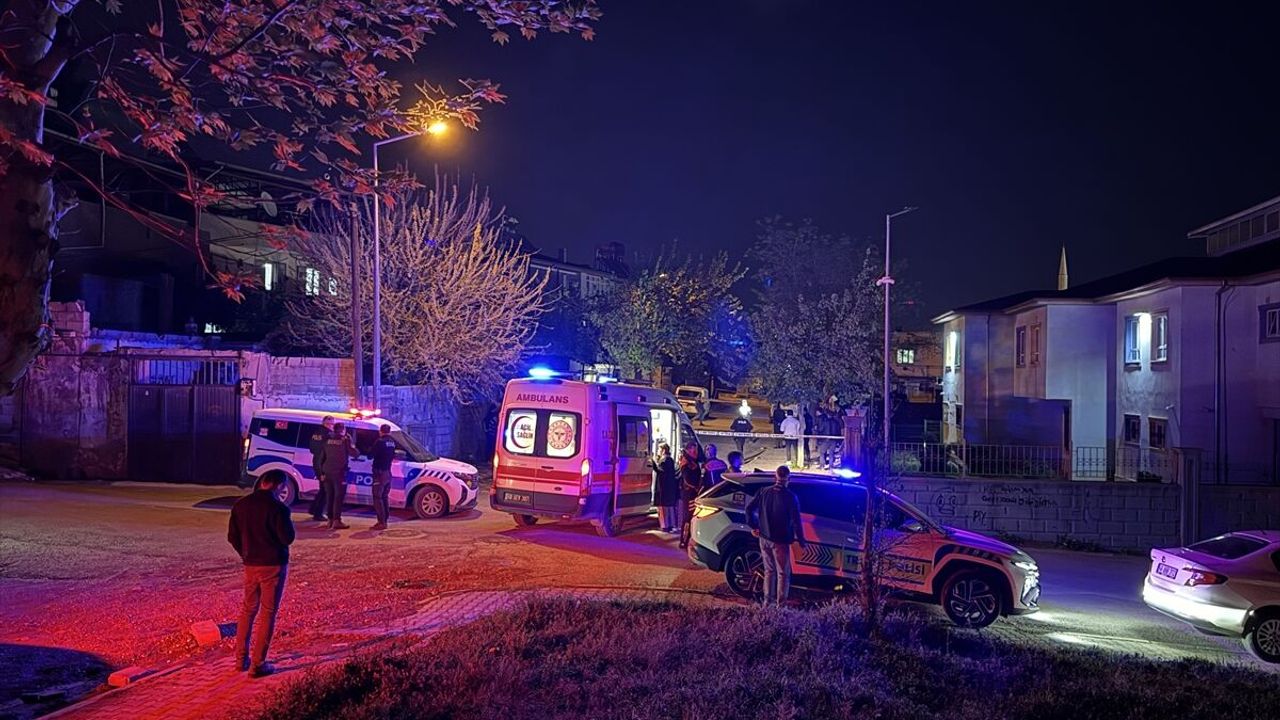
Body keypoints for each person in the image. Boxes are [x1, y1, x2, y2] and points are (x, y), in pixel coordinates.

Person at [227, 472, 295, 677]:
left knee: (248, 610)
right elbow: (287, 538)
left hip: (251, 564)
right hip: (273, 565)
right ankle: (258, 664)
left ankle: (241, 660)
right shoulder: (278, 508)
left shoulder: (241, 505)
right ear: (278, 485)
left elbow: (232, 537)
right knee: (268, 612)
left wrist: (246, 554)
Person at [745, 465, 805, 607]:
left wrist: (753, 526)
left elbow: (749, 508)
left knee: (769, 571)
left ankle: (767, 602)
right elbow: (797, 521)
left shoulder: (763, 491)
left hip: (764, 537)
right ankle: (781, 605)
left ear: (775, 477)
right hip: (780, 540)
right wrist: (801, 541)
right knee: (783, 573)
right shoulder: (791, 497)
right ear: (788, 479)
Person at [318, 421, 357, 530]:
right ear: (343, 430)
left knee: (330, 496)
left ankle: (330, 520)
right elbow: (355, 453)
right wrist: (351, 442)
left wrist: (321, 473)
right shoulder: (345, 440)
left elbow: (321, 458)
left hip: (327, 472)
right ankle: (337, 521)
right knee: (338, 497)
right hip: (339, 473)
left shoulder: (327, 440)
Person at [369, 424, 397, 531]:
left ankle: (381, 522)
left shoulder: (379, 442)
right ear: (389, 432)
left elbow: (370, 455)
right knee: (384, 497)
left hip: (379, 473)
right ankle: (385, 519)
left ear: (380, 431)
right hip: (387, 472)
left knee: (377, 497)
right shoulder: (392, 442)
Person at [306, 416, 334, 522]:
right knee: (325, 490)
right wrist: (321, 472)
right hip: (323, 465)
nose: (331, 426)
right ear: (325, 423)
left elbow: (312, 449)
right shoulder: (328, 435)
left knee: (323, 489)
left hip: (317, 463)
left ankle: (313, 509)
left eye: (332, 424)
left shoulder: (316, 432)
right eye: (330, 424)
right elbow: (322, 453)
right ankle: (318, 514)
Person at [677, 442, 702, 549]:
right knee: (687, 517)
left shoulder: (692, 461)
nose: (696, 452)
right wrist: (696, 487)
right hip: (688, 493)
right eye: (693, 450)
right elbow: (687, 479)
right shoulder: (687, 462)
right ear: (688, 450)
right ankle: (683, 540)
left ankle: (687, 539)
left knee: (691, 516)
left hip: (692, 492)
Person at [649, 442, 678, 532]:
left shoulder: (665, 460)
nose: (658, 451)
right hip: (669, 488)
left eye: (659, 449)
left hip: (663, 488)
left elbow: (660, 471)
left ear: (664, 450)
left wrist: (652, 461)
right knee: (669, 508)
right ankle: (671, 525)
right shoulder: (670, 460)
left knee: (662, 508)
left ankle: (664, 526)